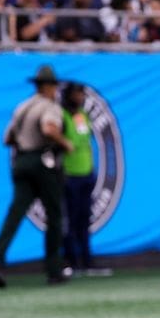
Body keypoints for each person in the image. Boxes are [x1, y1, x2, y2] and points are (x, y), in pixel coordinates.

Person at [0, 64, 76, 288]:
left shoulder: (22, 107)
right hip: (43, 162)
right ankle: (54, 269)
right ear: (48, 87)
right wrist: (65, 143)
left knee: (16, 212)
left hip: (21, 161)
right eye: (54, 86)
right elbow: (49, 129)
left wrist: (25, 144)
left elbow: (7, 139)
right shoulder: (49, 107)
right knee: (53, 215)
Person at [61, 81, 109, 276]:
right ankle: (71, 262)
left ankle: (87, 262)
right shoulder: (61, 116)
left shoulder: (82, 116)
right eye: (77, 94)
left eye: (82, 94)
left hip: (86, 174)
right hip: (68, 175)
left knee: (84, 220)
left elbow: (84, 141)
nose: (81, 97)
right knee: (70, 221)